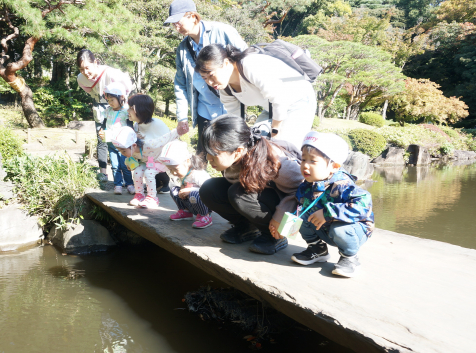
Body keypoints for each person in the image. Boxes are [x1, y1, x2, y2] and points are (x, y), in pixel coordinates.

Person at [198, 114, 304, 255]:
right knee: (209, 189)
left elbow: (303, 189)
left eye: (214, 154)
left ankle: (275, 237)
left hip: (287, 205)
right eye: (207, 152)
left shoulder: (273, 161)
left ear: (238, 151)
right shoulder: (235, 155)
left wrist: (280, 219)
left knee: (238, 193)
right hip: (262, 196)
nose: (208, 158)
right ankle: (247, 227)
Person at [194, 44, 317, 150]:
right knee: (256, 143)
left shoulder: (249, 65)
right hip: (272, 108)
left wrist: (275, 134)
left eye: (211, 75)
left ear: (226, 63)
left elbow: (279, 100)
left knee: (284, 149)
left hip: (299, 101)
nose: (209, 82)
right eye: (205, 78)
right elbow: (236, 119)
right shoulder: (224, 87)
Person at [165, 0, 247, 152]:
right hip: (204, 107)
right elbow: (181, 83)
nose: (176, 28)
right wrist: (182, 116)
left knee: (229, 152)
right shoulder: (183, 49)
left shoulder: (223, 32)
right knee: (203, 152)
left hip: (230, 104)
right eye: (173, 24)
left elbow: (246, 60)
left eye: (178, 22)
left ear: (193, 17)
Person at [287, 131, 374, 278]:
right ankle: (317, 249)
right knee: (302, 216)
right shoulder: (307, 185)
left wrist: (328, 213)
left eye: (313, 161)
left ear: (334, 166)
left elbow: (364, 203)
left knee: (339, 228)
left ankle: (350, 258)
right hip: (326, 228)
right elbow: (301, 205)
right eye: (303, 160)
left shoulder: (343, 185)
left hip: (353, 228)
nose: (305, 166)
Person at [76, 49, 133, 182]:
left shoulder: (111, 73)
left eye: (87, 68)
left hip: (119, 107)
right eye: (81, 69)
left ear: (95, 62)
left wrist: (119, 100)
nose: (85, 72)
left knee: (123, 139)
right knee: (102, 138)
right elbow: (88, 90)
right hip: (101, 107)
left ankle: (128, 174)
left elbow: (127, 87)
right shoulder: (81, 78)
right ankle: (103, 173)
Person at [119, 94, 171, 209]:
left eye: (130, 108)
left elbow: (166, 141)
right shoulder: (137, 125)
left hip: (159, 159)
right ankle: (139, 195)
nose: (127, 111)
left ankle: (152, 198)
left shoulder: (157, 124)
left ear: (138, 109)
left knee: (149, 173)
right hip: (146, 159)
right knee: (137, 172)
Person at [157, 140, 212, 229]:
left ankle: (205, 215)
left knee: (193, 194)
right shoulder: (185, 173)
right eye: (170, 169)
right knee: (174, 190)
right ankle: (186, 211)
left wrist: (191, 190)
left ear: (187, 161)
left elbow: (209, 190)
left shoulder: (197, 174)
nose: (173, 173)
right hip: (192, 202)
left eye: (175, 169)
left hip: (204, 204)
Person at [98, 83, 134, 195]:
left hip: (123, 144)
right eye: (108, 100)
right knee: (114, 165)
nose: (110, 102)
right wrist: (101, 130)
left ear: (122, 97)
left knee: (125, 165)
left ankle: (129, 184)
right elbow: (104, 124)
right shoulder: (108, 111)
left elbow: (130, 126)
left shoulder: (126, 111)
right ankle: (117, 185)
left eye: (112, 99)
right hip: (111, 143)